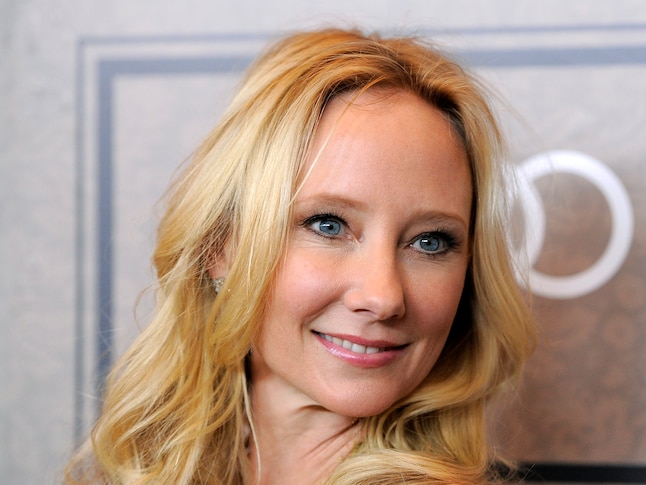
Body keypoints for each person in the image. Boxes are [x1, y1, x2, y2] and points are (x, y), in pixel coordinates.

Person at [65, 27, 536, 485]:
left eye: (430, 241)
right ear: (221, 247)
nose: (384, 296)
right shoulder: (145, 468)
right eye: (328, 225)